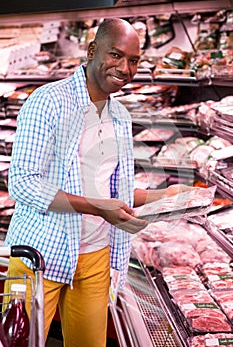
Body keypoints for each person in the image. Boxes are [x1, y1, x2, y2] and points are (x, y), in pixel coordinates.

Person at [4, 18, 192, 347]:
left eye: (133, 60)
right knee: (18, 344)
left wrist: (167, 194)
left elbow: (112, 193)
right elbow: (23, 183)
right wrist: (99, 209)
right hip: (40, 254)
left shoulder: (120, 115)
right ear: (92, 51)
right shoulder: (48, 102)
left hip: (95, 255)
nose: (125, 68)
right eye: (116, 55)